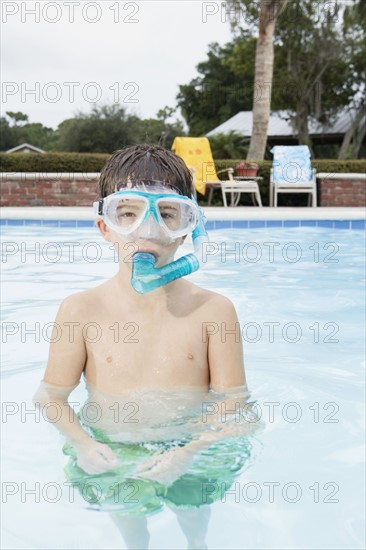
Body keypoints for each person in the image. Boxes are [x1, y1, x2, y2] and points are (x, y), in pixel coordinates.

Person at [33, 144, 253, 550]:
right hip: (112, 447)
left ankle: (197, 542)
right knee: (128, 516)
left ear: (188, 227)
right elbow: (51, 396)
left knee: (192, 507)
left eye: (167, 214)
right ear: (105, 227)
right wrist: (84, 444)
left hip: (191, 444)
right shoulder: (81, 310)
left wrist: (188, 453)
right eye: (128, 213)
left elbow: (234, 403)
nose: (147, 231)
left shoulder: (214, 311)